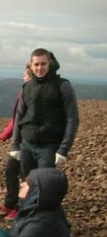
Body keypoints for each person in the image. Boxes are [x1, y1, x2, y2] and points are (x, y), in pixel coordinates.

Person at [10, 49, 79, 178]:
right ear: (31, 65)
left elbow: (72, 119)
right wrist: (15, 143)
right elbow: (19, 115)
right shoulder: (27, 86)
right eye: (36, 64)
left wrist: (64, 149)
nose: (40, 68)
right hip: (26, 145)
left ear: (50, 63)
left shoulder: (63, 86)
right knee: (27, 184)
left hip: (49, 147)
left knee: (44, 185)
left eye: (43, 64)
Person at [0, 65, 33, 221]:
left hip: (29, 143)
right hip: (19, 142)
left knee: (25, 177)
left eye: (25, 75)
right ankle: (9, 204)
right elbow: (16, 119)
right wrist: (5, 135)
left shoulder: (33, 94)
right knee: (11, 171)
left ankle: (21, 208)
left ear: (30, 76)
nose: (23, 77)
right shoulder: (24, 92)